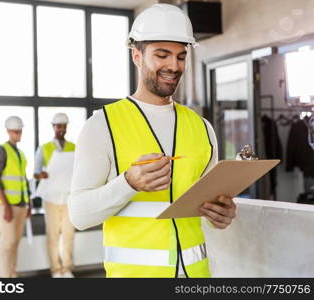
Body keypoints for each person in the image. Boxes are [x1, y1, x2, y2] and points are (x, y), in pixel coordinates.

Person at [68, 3, 236, 278]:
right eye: (162, 55)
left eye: (181, 57)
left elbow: (207, 209)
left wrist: (221, 215)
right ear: (136, 55)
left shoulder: (202, 128)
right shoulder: (103, 126)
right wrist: (128, 183)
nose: (173, 66)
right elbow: (79, 216)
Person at [34, 113, 76, 278]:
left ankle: (67, 268)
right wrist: (41, 175)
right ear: (53, 127)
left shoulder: (74, 147)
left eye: (64, 126)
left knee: (68, 236)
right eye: (59, 126)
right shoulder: (44, 148)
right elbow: (36, 173)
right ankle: (56, 270)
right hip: (51, 198)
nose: (62, 129)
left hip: (67, 198)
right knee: (52, 236)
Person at [0, 115, 32, 278]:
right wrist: (6, 207)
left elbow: (23, 181)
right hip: (6, 205)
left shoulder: (21, 154)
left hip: (21, 205)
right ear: (8, 131)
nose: (18, 134)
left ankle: (12, 276)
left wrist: (28, 204)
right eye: (15, 131)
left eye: (20, 131)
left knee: (15, 243)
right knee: (7, 244)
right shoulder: (0, 151)